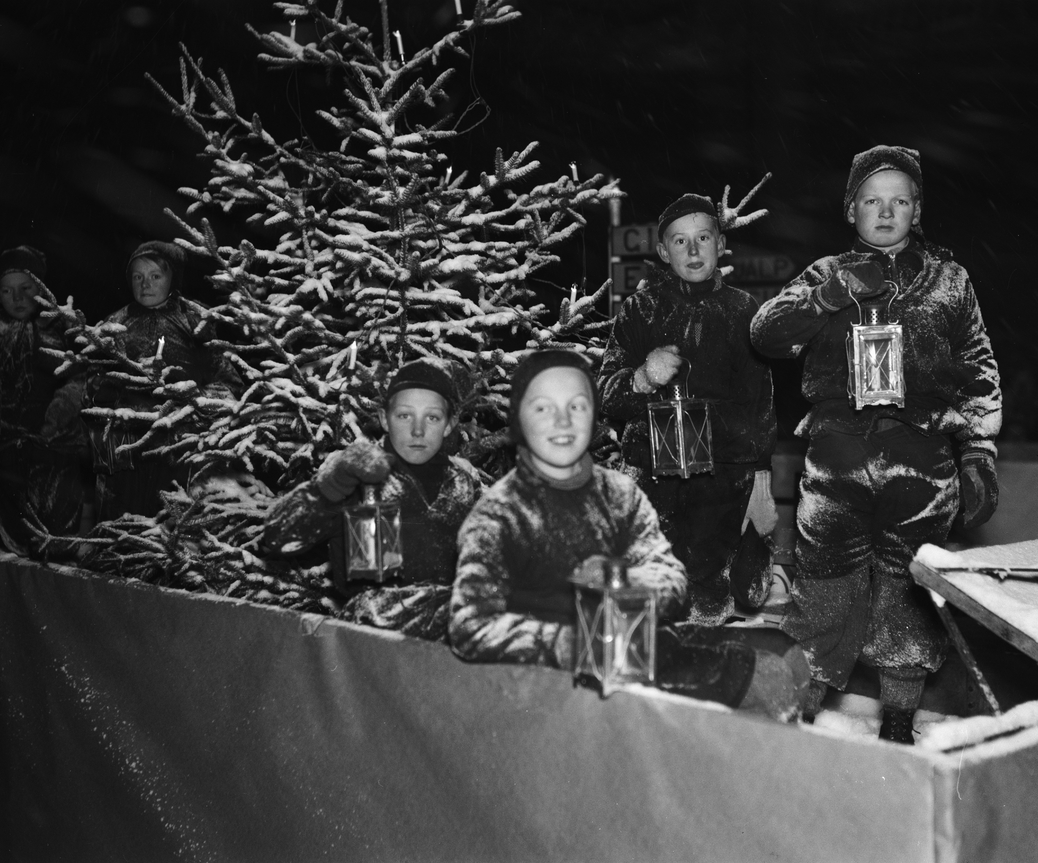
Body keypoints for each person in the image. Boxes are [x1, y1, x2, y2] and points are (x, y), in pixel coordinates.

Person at [750, 146, 1001, 743]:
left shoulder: (949, 281)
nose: (885, 212)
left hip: (922, 465)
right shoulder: (825, 273)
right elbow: (765, 333)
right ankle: (800, 718)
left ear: (917, 210)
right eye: (871, 200)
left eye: (899, 201)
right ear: (851, 210)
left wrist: (978, 454)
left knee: (908, 599)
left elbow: (978, 370)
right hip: (837, 462)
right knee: (823, 593)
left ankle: (898, 724)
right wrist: (828, 296)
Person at [449, 349, 809, 720]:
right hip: (553, 675)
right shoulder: (500, 515)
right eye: (543, 408)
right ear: (518, 421)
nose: (563, 420)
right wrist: (565, 641)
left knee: (779, 656)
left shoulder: (618, 495)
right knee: (758, 682)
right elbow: (471, 626)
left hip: (630, 642)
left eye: (577, 406)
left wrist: (626, 581)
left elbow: (669, 576)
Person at [598, 193, 777, 624]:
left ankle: (706, 643)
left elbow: (760, 405)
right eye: (680, 241)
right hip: (650, 479)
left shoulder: (743, 311)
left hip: (719, 484)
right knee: (646, 595)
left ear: (720, 244)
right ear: (664, 252)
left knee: (708, 597)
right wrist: (643, 378)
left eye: (703, 238)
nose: (693, 250)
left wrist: (760, 479)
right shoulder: (640, 310)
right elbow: (606, 394)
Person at [263, 359, 482, 640]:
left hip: (445, 645)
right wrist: (331, 486)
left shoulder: (464, 483)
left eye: (432, 418)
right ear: (384, 419)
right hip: (371, 642)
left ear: (449, 424)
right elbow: (277, 536)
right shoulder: (357, 474)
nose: (418, 430)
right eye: (404, 415)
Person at [0, 245, 87, 555]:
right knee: (17, 529)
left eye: (26, 288)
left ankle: (58, 572)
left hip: (56, 448)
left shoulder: (62, 327)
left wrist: (64, 409)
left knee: (59, 525)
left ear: (42, 288)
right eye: (7, 291)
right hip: (7, 451)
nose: (17, 298)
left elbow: (83, 377)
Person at [88, 240, 226, 521]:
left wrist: (199, 404)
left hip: (179, 442)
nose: (145, 284)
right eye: (138, 277)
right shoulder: (116, 323)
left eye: (155, 276)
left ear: (173, 278)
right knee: (125, 516)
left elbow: (222, 376)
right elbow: (92, 380)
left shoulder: (193, 320)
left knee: (171, 516)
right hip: (126, 444)